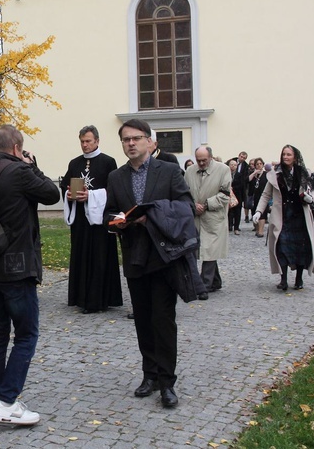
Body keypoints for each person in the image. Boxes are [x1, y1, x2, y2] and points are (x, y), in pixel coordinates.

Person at [0, 124, 60, 425]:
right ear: (16, 148)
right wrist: (33, 167)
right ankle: (8, 401)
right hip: (16, 268)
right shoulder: (19, 172)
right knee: (26, 334)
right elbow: (51, 193)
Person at [104, 118, 195, 409]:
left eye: (135, 138)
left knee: (163, 319)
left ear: (148, 141)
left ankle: (168, 382)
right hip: (134, 256)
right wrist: (117, 222)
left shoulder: (168, 171)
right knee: (143, 319)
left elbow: (186, 207)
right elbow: (108, 213)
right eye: (125, 139)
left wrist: (152, 215)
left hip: (165, 257)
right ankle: (150, 375)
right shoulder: (116, 177)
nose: (130, 143)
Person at [61, 125, 122, 314]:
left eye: (88, 141)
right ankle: (80, 298)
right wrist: (69, 194)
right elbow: (64, 186)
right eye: (82, 141)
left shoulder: (108, 162)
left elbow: (113, 191)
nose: (85, 145)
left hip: (99, 221)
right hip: (80, 220)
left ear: (97, 141)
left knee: (99, 257)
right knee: (81, 256)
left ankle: (99, 299)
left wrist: (92, 196)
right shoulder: (75, 163)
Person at [252, 145, 314, 291]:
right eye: (284, 155)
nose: (286, 157)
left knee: (300, 248)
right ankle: (283, 279)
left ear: (295, 157)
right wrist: (258, 211)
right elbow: (265, 195)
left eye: (289, 154)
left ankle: (299, 278)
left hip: (299, 215)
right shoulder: (276, 174)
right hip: (281, 216)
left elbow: (312, 191)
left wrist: (309, 198)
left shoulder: (303, 173)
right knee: (281, 246)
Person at [185, 146, 231, 293]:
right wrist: (193, 205)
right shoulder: (189, 171)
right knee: (204, 249)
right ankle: (215, 281)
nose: (201, 163)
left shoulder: (223, 170)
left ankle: (204, 285)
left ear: (211, 157)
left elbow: (225, 195)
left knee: (210, 249)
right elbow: (184, 192)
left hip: (213, 217)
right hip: (195, 217)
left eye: (204, 160)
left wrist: (206, 205)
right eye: (198, 160)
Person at [250, 158, 270, 238]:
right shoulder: (253, 174)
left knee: (263, 213)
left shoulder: (266, 174)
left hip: (263, 196)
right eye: (257, 164)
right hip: (254, 197)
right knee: (254, 212)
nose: (259, 165)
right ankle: (257, 229)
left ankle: (261, 231)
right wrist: (254, 173)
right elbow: (247, 181)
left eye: (260, 164)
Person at [226, 159, 244, 235]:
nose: (233, 166)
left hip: (237, 195)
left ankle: (236, 228)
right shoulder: (226, 174)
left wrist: (233, 188)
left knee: (237, 212)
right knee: (229, 212)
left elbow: (242, 185)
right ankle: (229, 226)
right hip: (228, 195)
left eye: (235, 165)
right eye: (231, 164)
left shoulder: (239, 175)